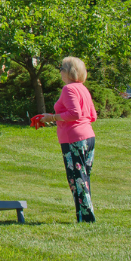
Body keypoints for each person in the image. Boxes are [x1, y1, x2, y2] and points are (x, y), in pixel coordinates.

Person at [36, 57, 97, 223]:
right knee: (83, 177)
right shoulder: (83, 89)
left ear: (69, 71)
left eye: (62, 68)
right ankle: (84, 215)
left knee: (76, 178)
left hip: (73, 139)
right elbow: (92, 116)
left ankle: (86, 218)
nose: (60, 71)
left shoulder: (68, 89)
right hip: (88, 137)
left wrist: (52, 118)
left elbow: (75, 114)